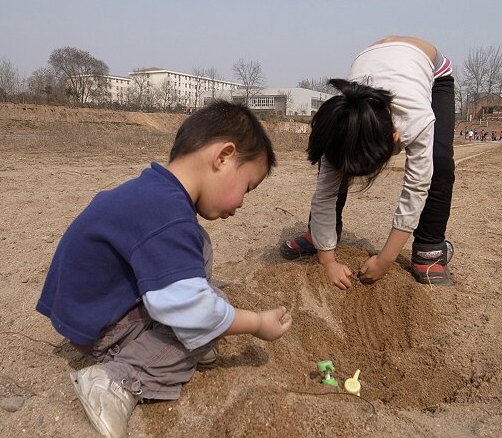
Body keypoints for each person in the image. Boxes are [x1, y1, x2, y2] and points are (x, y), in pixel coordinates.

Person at [36, 101, 292, 438]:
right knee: (197, 324)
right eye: (246, 187)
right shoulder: (167, 213)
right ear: (223, 157)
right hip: (99, 325)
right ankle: (113, 382)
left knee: (198, 250)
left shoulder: (155, 192)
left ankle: (173, 336)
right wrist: (256, 323)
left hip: (92, 305)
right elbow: (192, 309)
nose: (242, 203)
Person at [280, 36, 455, 288]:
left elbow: (416, 188)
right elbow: (324, 194)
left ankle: (430, 249)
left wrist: (385, 259)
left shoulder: (414, 119)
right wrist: (327, 260)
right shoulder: (340, 125)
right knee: (338, 159)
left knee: (439, 162)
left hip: (433, 71)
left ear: (396, 138)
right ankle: (323, 235)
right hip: (378, 60)